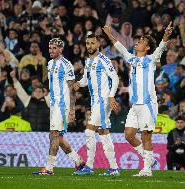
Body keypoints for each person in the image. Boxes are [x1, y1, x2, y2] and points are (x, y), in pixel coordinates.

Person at [103, 22, 173, 176]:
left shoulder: (151, 59)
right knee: (128, 134)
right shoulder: (131, 59)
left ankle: (147, 169)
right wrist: (108, 34)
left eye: (141, 41)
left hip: (147, 104)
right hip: (135, 105)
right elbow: (120, 47)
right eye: (138, 40)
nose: (137, 42)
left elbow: (161, 46)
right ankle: (150, 159)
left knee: (146, 135)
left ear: (147, 47)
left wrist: (166, 34)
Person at [32, 38, 84, 175]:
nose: (51, 51)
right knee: (58, 138)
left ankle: (49, 168)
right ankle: (79, 162)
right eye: (50, 48)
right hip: (53, 105)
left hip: (62, 105)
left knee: (53, 135)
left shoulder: (66, 65)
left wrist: (72, 110)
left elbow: (72, 88)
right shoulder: (49, 64)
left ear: (61, 49)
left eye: (54, 48)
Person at [73, 34, 120, 176]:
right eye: (87, 43)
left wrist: (111, 96)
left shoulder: (104, 60)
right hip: (95, 102)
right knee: (103, 133)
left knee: (89, 131)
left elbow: (115, 78)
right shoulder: (88, 61)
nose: (89, 46)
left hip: (103, 100)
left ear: (98, 44)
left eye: (92, 43)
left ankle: (89, 166)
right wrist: (78, 84)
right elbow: (86, 80)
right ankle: (114, 168)